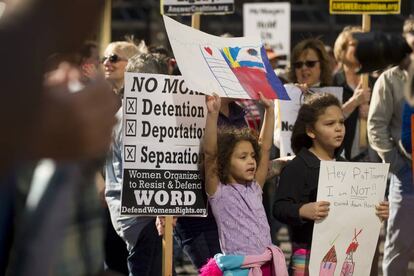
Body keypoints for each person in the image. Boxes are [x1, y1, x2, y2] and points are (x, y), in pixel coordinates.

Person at [273, 93, 389, 275]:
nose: (338, 129)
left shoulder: (348, 167)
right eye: (329, 124)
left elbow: (356, 212)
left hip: (344, 255)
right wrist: (303, 210)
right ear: (311, 131)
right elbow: (279, 207)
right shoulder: (297, 166)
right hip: (307, 255)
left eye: (341, 122)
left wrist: (377, 212)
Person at [202, 92, 288, 275]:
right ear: (225, 161)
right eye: (243, 157)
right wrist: (212, 115)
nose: (251, 161)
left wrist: (270, 110)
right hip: (238, 270)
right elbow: (210, 155)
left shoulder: (255, 188)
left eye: (252, 156)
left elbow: (265, 149)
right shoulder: (219, 193)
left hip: (265, 267)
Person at [105, 52, 169, 276]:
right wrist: (162, 210)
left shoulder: (126, 114)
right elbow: (145, 170)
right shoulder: (137, 117)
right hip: (144, 220)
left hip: (135, 217)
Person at [367, 16, 414, 276]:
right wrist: (396, 165)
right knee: (399, 245)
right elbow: (375, 127)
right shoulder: (389, 79)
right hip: (406, 173)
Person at [333, 26, 377, 162]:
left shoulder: (376, 84)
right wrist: (354, 102)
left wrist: (372, 114)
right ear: (342, 49)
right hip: (340, 158)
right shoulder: (332, 83)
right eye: (355, 44)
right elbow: (325, 119)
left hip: (372, 158)